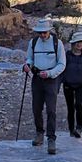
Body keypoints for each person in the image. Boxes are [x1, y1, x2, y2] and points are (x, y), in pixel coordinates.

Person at [22, 15, 65, 154]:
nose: (42, 35)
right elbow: (30, 58)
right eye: (40, 32)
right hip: (37, 78)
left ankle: (51, 138)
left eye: (44, 32)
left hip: (51, 79)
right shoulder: (33, 42)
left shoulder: (57, 43)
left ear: (49, 31)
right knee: (36, 108)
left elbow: (62, 64)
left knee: (51, 110)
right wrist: (28, 65)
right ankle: (39, 133)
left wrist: (50, 73)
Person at [63, 27, 82, 138]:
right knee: (70, 107)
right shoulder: (67, 55)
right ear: (73, 43)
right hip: (68, 85)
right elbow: (62, 69)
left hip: (80, 85)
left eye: (81, 42)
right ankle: (71, 129)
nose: (79, 44)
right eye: (77, 42)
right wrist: (58, 84)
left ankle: (79, 127)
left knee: (78, 104)